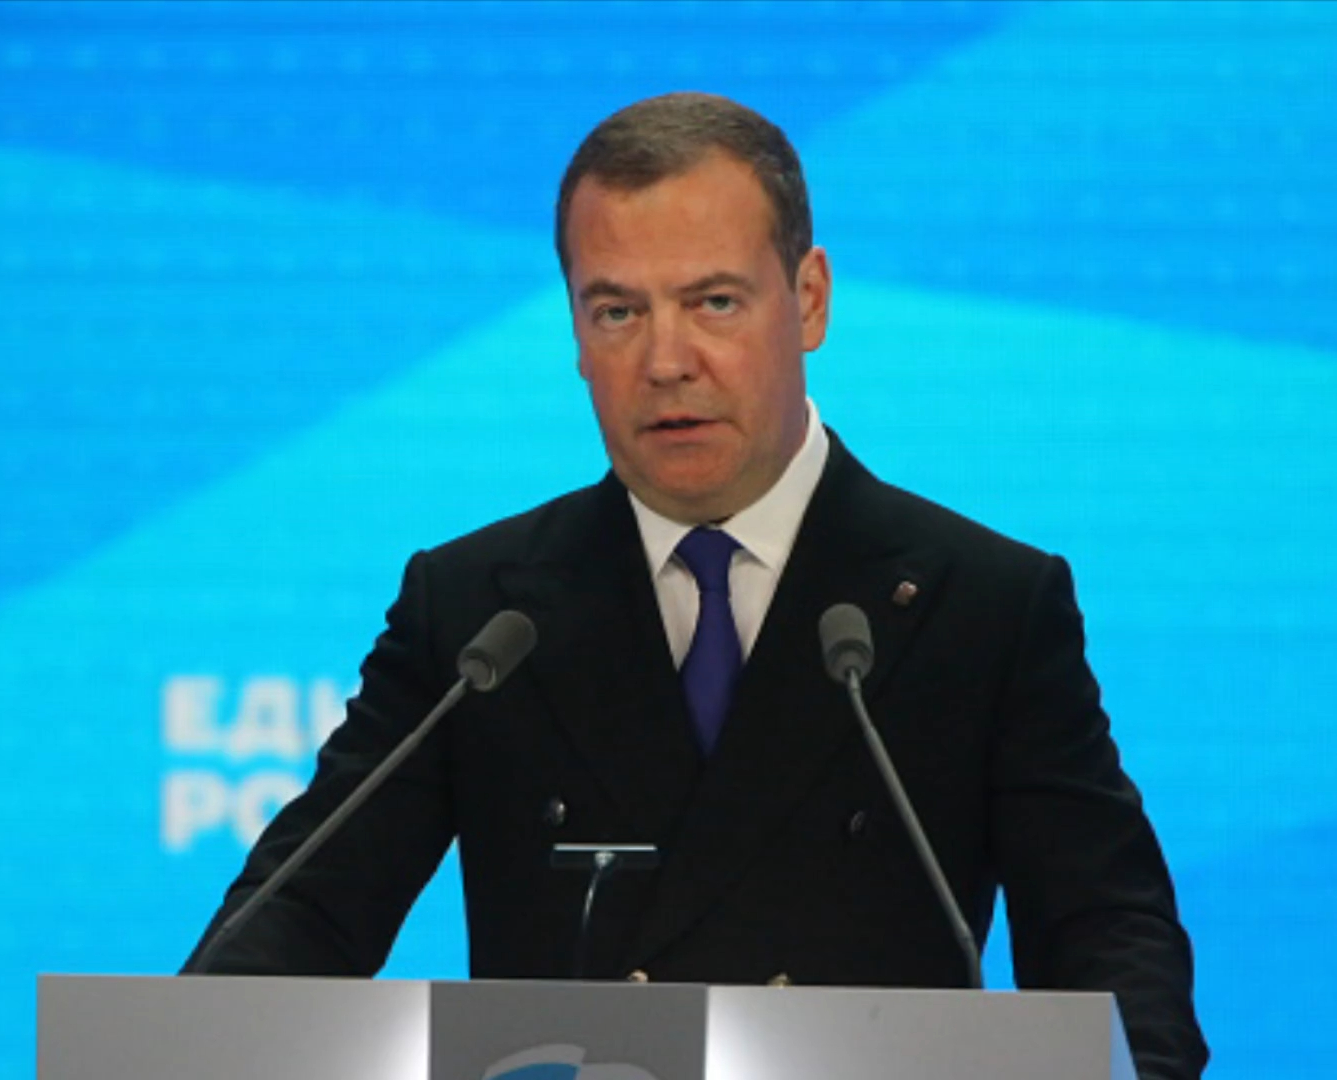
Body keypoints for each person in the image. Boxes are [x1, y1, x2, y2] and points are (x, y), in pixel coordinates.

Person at [187, 92, 1208, 1079]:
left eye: (713, 302)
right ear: (575, 334)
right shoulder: (480, 614)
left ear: (809, 300)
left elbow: (1108, 936)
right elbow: (301, 916)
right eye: (617, 311)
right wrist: (183, 1049)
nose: (666, 361)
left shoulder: (980, 604)